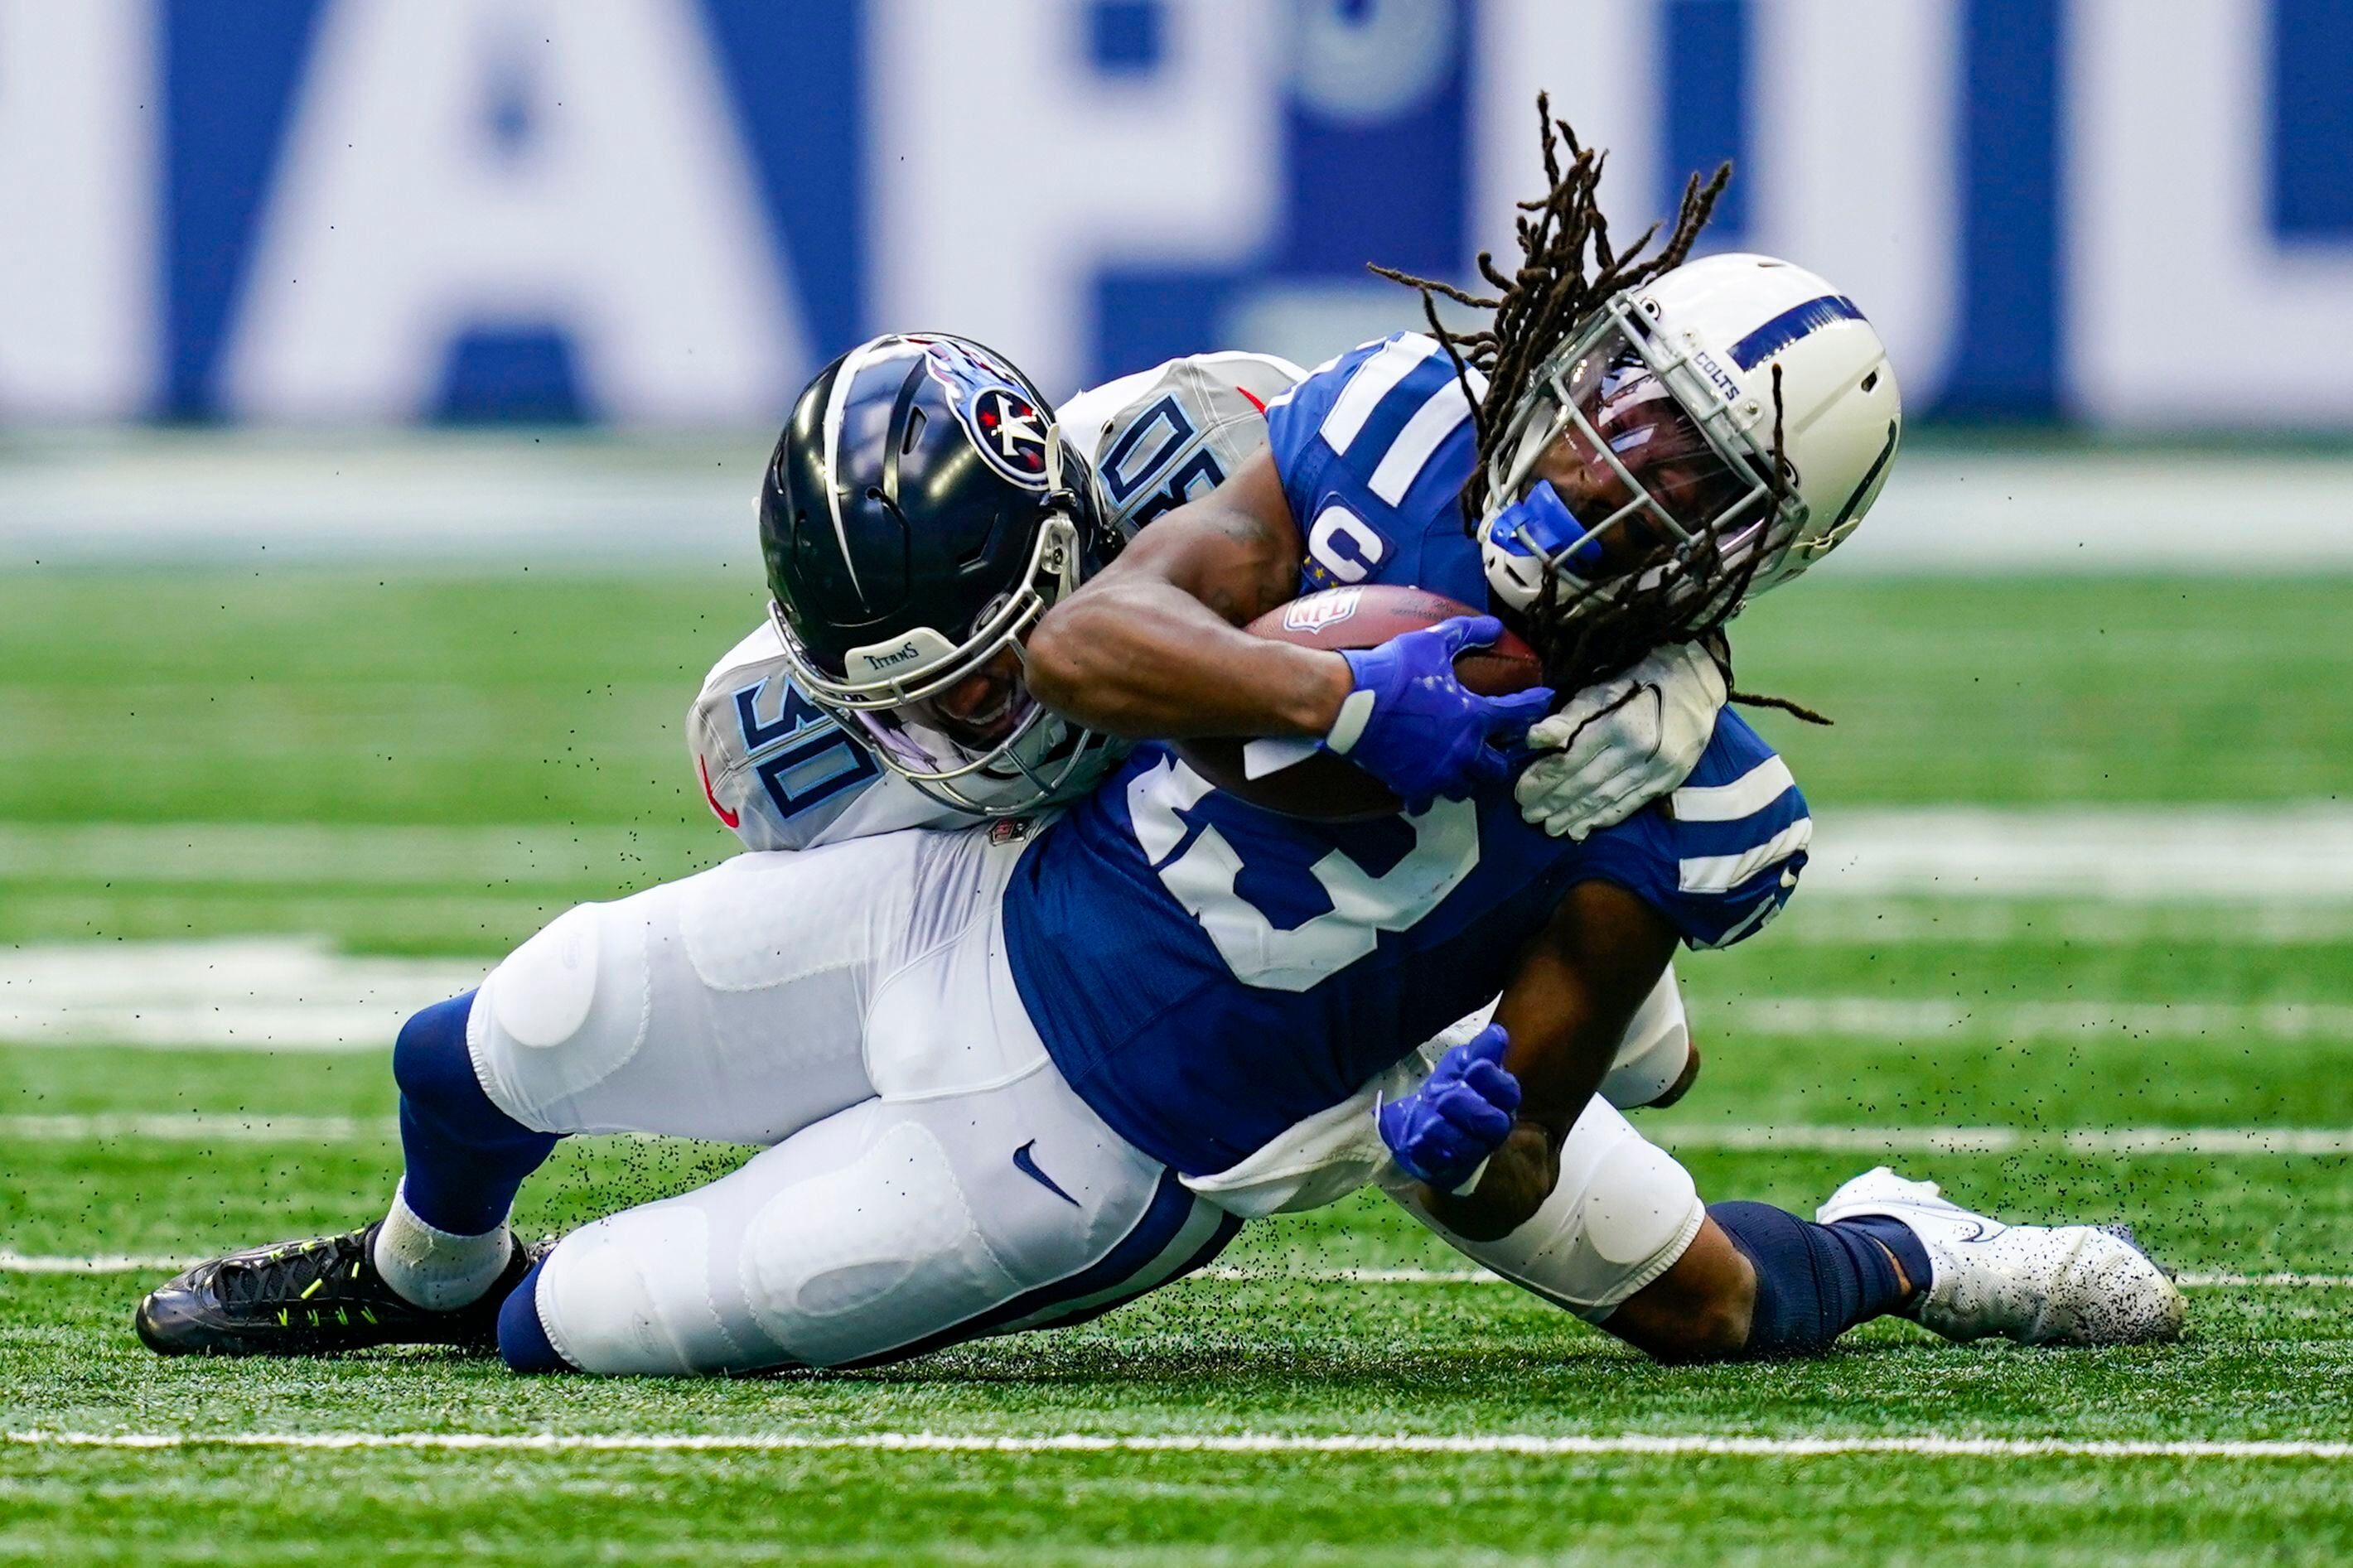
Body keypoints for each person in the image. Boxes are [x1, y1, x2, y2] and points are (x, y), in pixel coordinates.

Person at [136, 112, 2181, 1373]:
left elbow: (1521, 1118)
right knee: (508, 1022)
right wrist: (1332, 691)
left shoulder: (1694, 786)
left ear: (1765, 545)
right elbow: (1106, 635)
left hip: (1115, 1143)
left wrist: (1500, 1105)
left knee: (571, 1328)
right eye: (1614, 397)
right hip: (1006, 890)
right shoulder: (1377, 428)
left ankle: (1912, 1242)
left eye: (1682, 470)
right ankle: (408, 1264)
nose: (1601, 464)